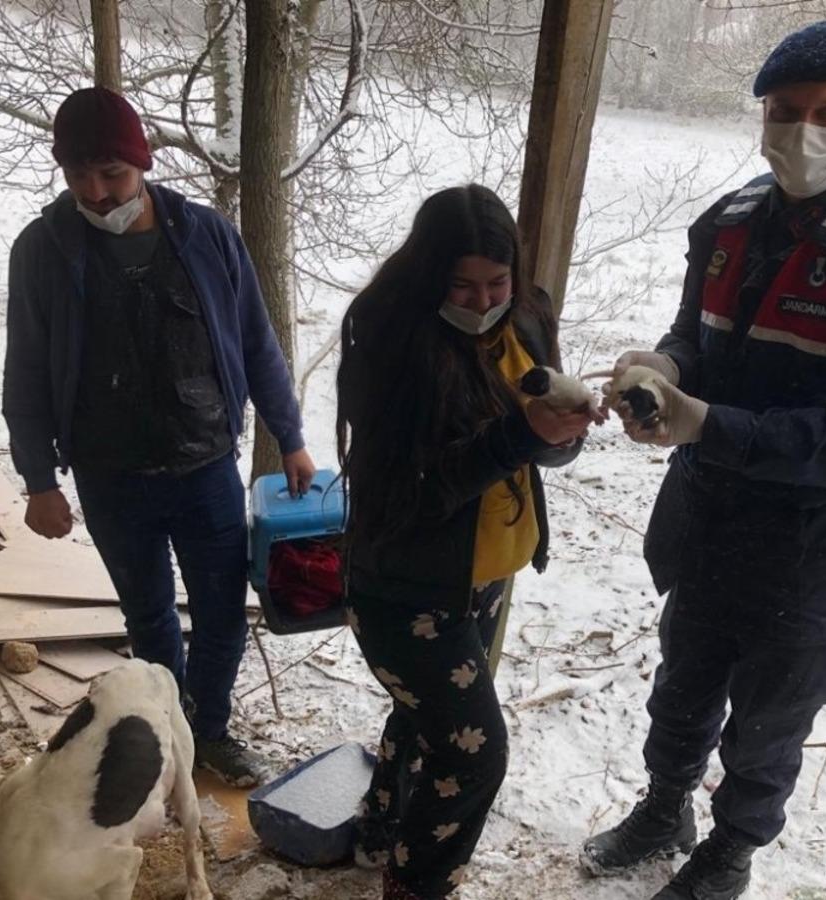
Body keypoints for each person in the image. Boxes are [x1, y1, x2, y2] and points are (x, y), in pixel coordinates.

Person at [581, 22, 826, 900]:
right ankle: (665, 806)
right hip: (710, 525)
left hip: (816, 553)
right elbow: (695, 334)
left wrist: (708, 422)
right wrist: (666, 368)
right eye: (786, 112)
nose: (804, 131)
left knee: (767, 727)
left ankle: (730, 852)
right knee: (680, 695)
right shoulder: (729, 223)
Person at [2, 86, 315, 787]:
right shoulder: (42, 252)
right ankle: (165, 733)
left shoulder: (205, 235)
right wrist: (38, 479)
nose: (96, 190)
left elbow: (255, 341)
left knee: (222, 613)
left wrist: (289, 434)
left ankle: (208, 731)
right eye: (79, 175)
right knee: (148, 620)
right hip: (110, 477)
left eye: (111, 173)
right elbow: (24, 368)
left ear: (141, 162)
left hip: (203, 466)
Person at [336, 184, 594, 899]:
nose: (483, 302)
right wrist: (521, 434)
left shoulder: (528, 315)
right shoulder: (391, 340)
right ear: (429, 278)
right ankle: (415, 885)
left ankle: (380, 831)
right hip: (402, 586)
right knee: (475, 756)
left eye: (496, 283)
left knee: (425, 722)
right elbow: (410, 493)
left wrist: (561, 431)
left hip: (481, 576)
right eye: (463, 285)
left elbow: (535, 444)